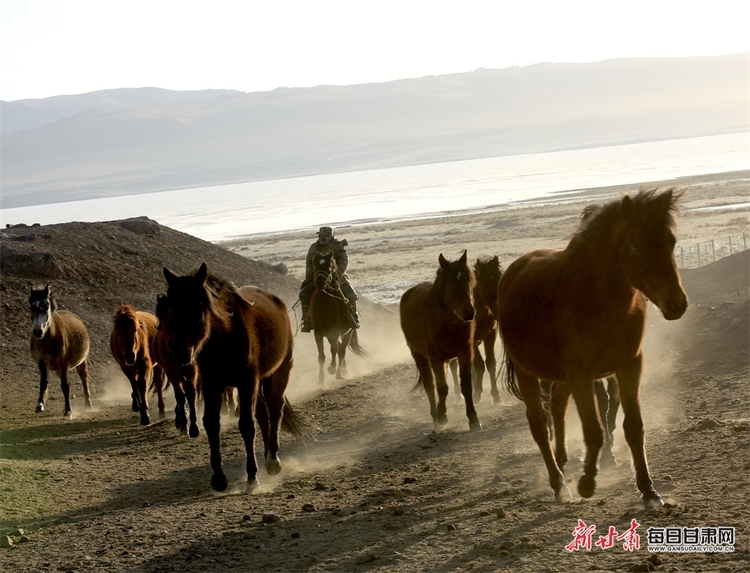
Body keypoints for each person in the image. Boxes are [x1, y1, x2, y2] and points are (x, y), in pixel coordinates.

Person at [299, 226, 360, 332]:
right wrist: (309, 278)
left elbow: (343, 262)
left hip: (338, 279)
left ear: (330, 235)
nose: (321, 237)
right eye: (320, 235)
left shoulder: (338, 246)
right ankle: (306, 320)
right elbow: (309, 264)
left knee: (351, 295)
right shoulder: (313, 248)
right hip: (318, 278)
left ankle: (354, 318)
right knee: (303, 294)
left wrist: (336, 276)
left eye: (324, 236)